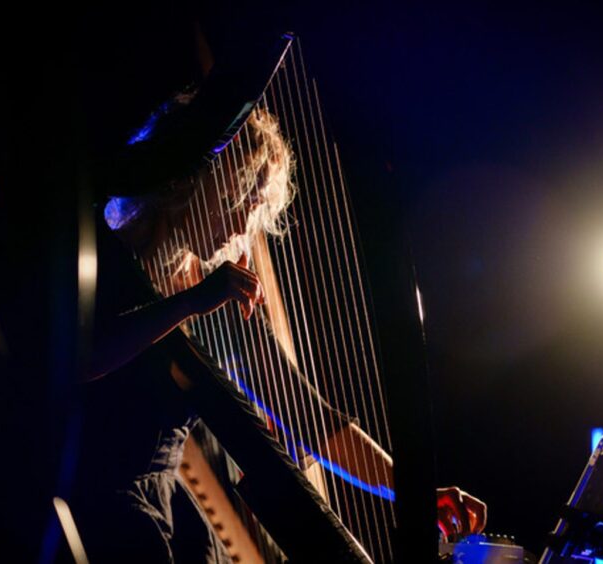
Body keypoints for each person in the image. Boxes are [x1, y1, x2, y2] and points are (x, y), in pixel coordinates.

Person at [72, 102, 486, 562]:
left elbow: (318, 424)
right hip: (83, 488)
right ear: (188, 179)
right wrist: (189, 303)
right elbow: (78, 358)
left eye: (255, 206)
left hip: (160, 501)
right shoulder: (100, 252)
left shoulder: (216, 296)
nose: (244, 225)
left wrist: (416, 493)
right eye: (241, 197)